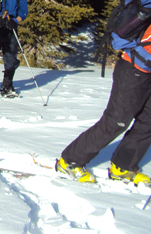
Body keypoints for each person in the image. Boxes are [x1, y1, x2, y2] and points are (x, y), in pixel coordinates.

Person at [56, 24, 151, 184]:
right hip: (133, 70)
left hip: (147, 72)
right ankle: (70, 161)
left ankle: (123, 167)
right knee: (116, 121)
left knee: (147, 123)